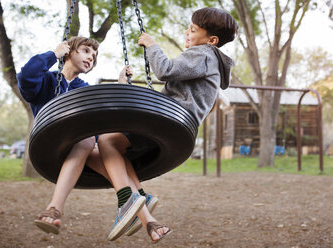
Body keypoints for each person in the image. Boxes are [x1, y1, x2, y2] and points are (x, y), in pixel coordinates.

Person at [98, 6, 239, 243]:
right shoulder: (210, 63)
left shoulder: (203, 53)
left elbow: (165, 71)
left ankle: (126, 200)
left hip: (170, 121)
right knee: (120, 151)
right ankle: (141, 197)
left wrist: (152, 45)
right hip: (177, 127)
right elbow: (167, 95)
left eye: (193, 30)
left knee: (106, 141)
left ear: (211, 40)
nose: (187, 32)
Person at [18, 36, 164, 243]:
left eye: (94, 56)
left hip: (78, 151)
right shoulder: (46, 81)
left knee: (106, 154)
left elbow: (104, 113)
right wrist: (53, 54)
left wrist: (121, 84)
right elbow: (27, 76)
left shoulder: (83, 89)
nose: (91, 58)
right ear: (68, 52)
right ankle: (54, 207)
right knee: (87, 141)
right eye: (86, 51)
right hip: (48, 147)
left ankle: (146, 217)